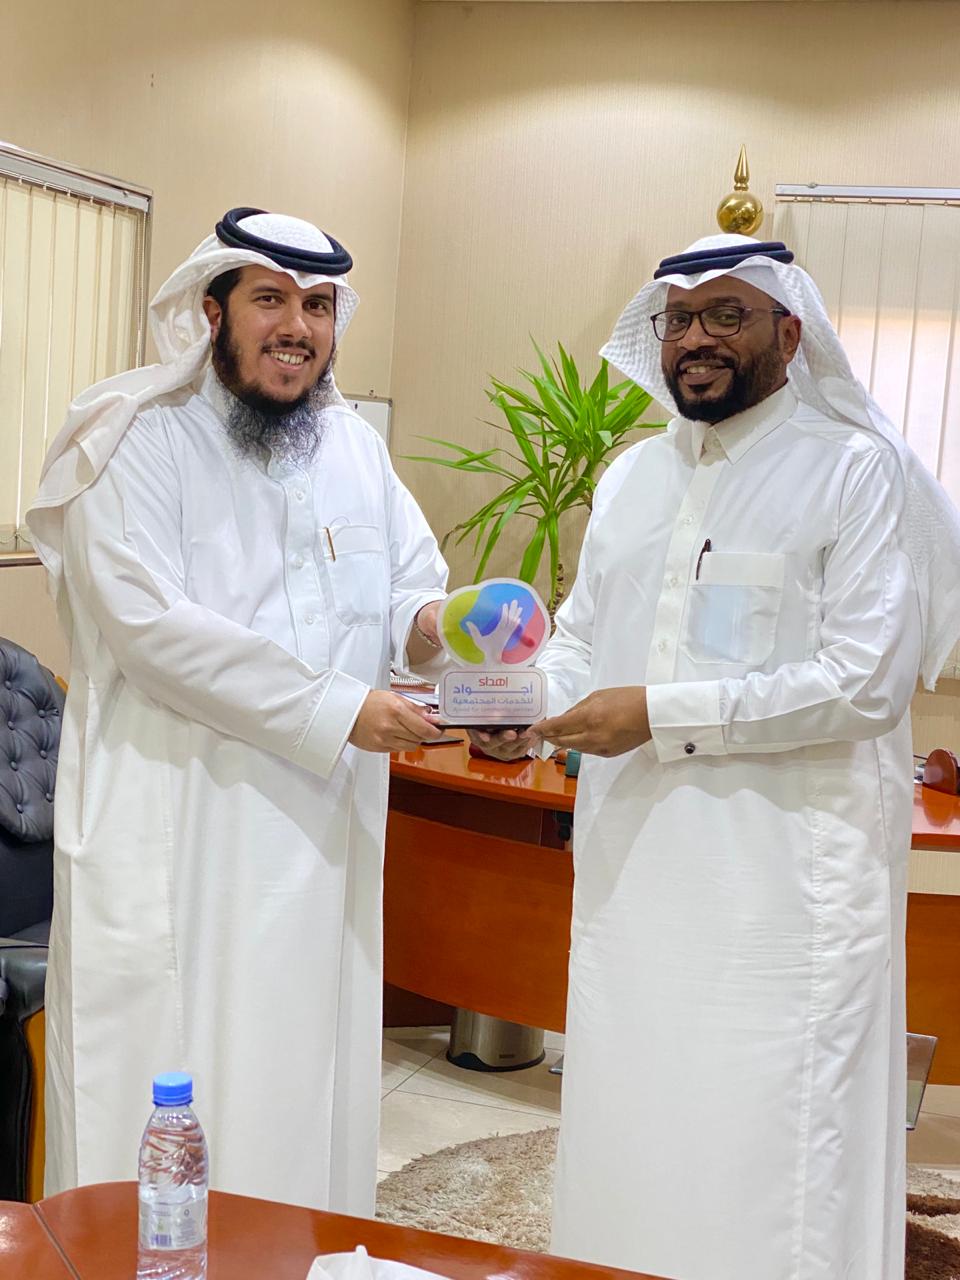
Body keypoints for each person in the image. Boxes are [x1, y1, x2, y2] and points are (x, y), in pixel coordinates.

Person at [471, 235, 960, 1280]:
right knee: (637, 1122)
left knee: (774, 1155)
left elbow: (865, 682)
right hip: (636, 878)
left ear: (790, 329)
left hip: (782, 898)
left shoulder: (854, 471)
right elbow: (579, 640)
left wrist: (656, 714)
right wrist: (523, 706)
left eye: (727, 314)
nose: (697, 338)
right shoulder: (632, 477)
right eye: (680, 318)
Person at [26, 208, 449, 1213]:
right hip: (182, 834)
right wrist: (339, 708)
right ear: (212, 311)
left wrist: (445, 627)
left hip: (319, 839)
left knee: (298, 1084)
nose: (297, 327)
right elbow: (152, 632)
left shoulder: (355, 449)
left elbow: (408, 591)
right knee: (172, 1085)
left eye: (319, 305)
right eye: (271, 300)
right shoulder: (133, 437)